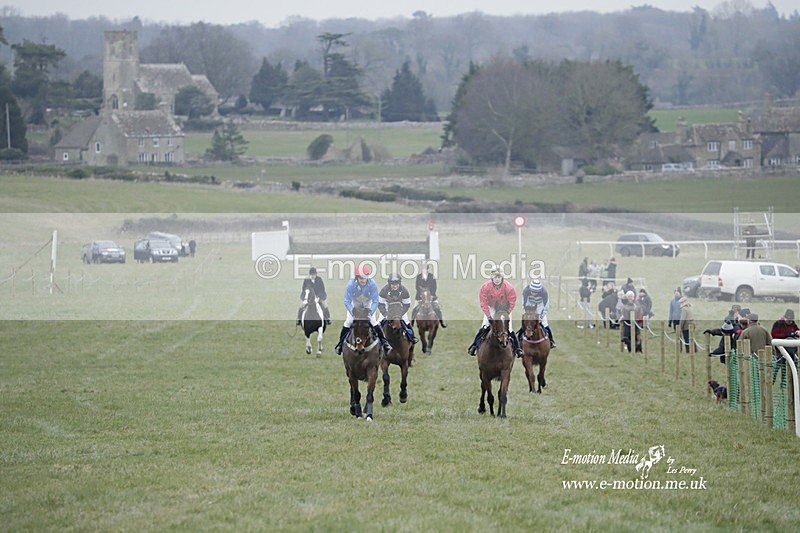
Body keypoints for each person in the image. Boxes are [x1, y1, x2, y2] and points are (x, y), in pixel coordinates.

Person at [334, 263, 392, 356]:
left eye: (365, 277)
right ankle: (340, 345)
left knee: (373, 322)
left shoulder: (372, 284)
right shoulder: (350, 285)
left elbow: (375, 301)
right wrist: (352, 311)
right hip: (355, 304)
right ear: (357, 278)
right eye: (361, 278)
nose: (363, 280)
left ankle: (385, 344)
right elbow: (347, 301)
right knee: (348, 321)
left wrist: (370, 312)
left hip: (367, 304)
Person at [467, 264, 523, 357]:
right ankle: (474, 346)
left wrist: (507, 312)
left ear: (502, 278)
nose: (497, 279)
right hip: (491, 308)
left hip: (504, 309)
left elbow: (512, 301)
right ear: (492, 278)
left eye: (499, 277)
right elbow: (483, 303)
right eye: (495, 277)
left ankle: (517, 349)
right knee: (484, 326)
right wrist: (489, 316)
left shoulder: (509, 287)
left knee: (509, 329)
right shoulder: (485, 287)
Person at [378, 273, 418, 344]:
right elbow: (380, 304)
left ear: (399, 283)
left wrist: (400, 314)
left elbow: (407, 304)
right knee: (379, 321)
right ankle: (377, 338)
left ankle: (412, 337)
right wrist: (385, 314)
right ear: (389, 284)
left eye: (396, 284)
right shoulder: (384, 290)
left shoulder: (404, 290)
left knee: (406, 321)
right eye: (393, 284)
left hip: (400, 308)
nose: (395, 286)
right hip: (387, 307)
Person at [520, 277, 556, 349]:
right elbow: (524, 303)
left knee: (544, 323)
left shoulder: (544, 293)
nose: (534, 293)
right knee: (527, 322)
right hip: (530, 304)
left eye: (536, 292)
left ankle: (551, 341)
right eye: (532, 291)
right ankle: (519, 339)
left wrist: (541, 316)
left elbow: (545, 306)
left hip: (540, 304)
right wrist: (527, 314)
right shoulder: (526, 291)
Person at [410, 262, 447, 328]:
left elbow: (434, 287)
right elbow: (417, 287)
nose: (425, 270)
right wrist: (421, 295)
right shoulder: (419, 277)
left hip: (431, 297)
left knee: (437, 308)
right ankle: (412, 323)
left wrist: (431, 295)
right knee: (415, 309)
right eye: (424, 269)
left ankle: (442, 322)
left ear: (427, 269)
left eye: (426, 269)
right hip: (420, 297)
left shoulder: (431, 276)